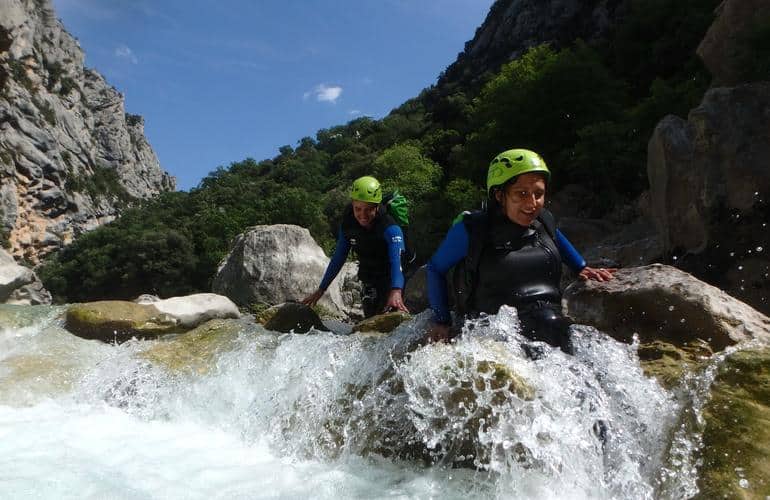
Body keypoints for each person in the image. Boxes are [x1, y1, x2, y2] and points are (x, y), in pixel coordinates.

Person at [425, 148, 616, 353]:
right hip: (493, 330)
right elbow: (435, 269)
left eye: (538, 194)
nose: (532, 204)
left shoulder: (544, 220)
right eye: (521, 194)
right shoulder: (471, 229)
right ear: (500, 195)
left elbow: (557, 239)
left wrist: (581, 267)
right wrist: (442, 321)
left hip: (548, 319)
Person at [302, 175, 410, 317]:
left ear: (377, 207)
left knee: (393, 316)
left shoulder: (389, 227)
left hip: (393, 275)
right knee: (371, 321)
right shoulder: (348, 224)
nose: (362, 215)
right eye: (358, 209)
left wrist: (396, 291)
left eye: (368, 209)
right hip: (369, 276)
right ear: (352, 204)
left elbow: (398, 261)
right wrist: (321, 290)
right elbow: (339, 258)